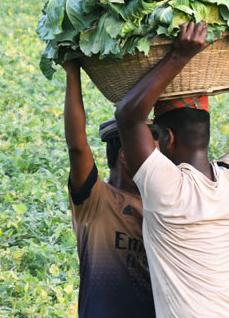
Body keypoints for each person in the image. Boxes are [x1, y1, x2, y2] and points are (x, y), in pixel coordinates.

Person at [114, 21, 229, 317]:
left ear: (168, 139)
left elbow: (128, 117)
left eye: (155, 135)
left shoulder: (167, 188)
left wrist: (180, 56)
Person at [62, 60, 155, 318]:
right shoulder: (96, 200)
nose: (161, 160)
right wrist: (73, 73)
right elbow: (77, 147)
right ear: (125, 155)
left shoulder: (162, 198)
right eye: (153, 151)